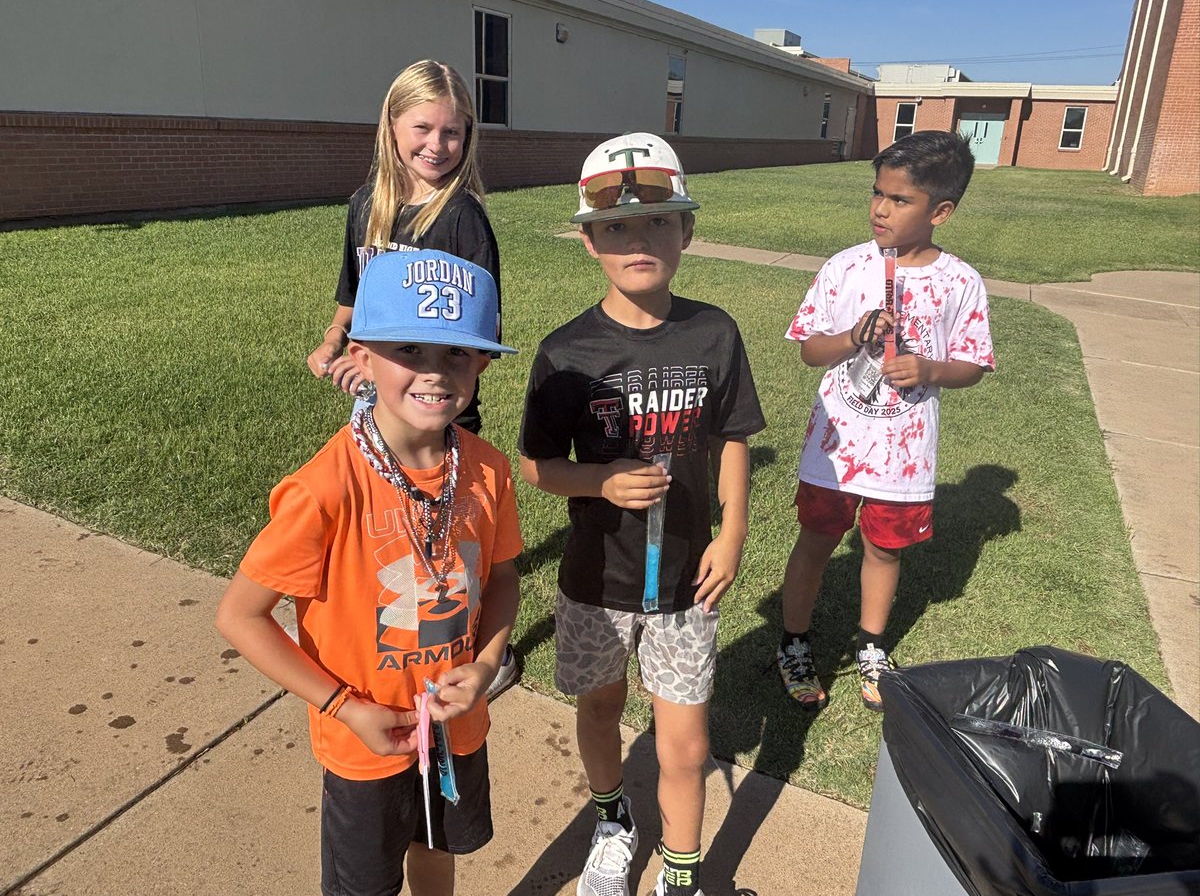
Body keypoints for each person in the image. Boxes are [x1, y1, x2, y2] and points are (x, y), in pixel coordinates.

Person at [218, 249, 521, 896]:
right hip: (366, 740)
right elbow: (241, 616)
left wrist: (488, 665)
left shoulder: (489, 469)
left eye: (457, 354)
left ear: (483, 363)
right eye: (409, 348)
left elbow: (502, 577)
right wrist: (342, 707)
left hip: (453, 728)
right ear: (360, 358)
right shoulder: (324, 488)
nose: (435, 374)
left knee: (438, 852)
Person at [519, 133, 765, 896]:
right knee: (600, 712)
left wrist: (733, 531)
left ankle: (682, 876)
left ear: (686, 231)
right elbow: (537, 466)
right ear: (590, 240)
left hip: (687, 582)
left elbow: (731, 437)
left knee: (686, 746)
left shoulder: (714, 331)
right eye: (617, 227)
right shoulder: (566, 352)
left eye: (659, 222)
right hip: (597, 581)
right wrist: (599, 481)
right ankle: (613, 821)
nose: (639, 240)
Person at [304, 59, 518, 698]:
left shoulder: (463, 220)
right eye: (423, 127)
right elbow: (354, 293)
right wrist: (336, 340)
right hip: (381, 405)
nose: (437, 145)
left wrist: (426, 372)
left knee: (451, 543)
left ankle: (482, 653)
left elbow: (476, 328)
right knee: (393, 534)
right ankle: (399, 646)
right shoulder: (366, 207)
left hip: (441, 405)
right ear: (391, 127)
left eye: (453, 133)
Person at [776, 130, 995, 713]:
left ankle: (871, 646)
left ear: (941, 211)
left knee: (884, 549)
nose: (880, 208)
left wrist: (929, 368)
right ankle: (793, 641)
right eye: (877, 194)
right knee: (817, 540)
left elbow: (973, 365)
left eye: (900, 200)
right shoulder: (845, 268)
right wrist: (853, 336)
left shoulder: (960, 282)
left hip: (904, 452)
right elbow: (809, 351)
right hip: (837, 444)